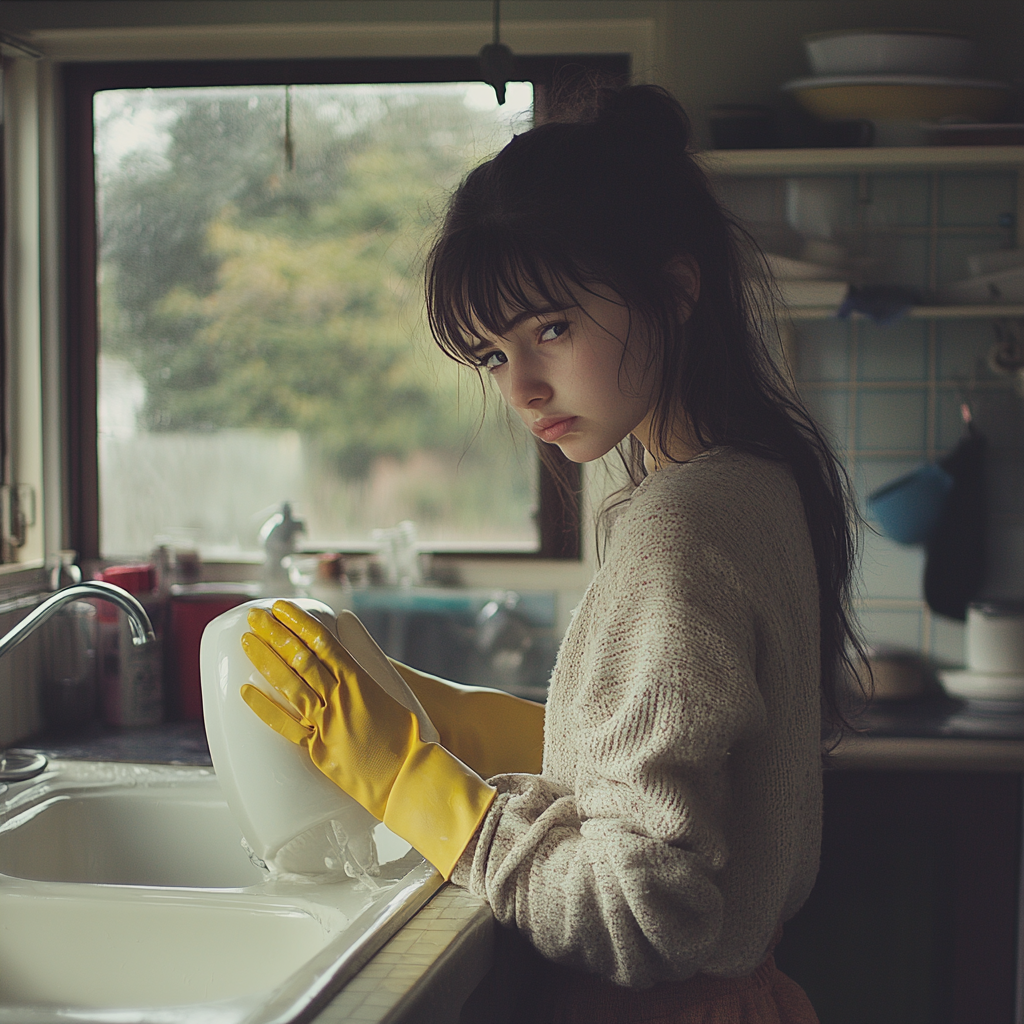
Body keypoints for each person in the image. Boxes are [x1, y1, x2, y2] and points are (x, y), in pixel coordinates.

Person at [240, 84, 863, 1024]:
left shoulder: (676, 528)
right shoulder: (756, 479)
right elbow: (688, 771)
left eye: (553, 328)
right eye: (493, 354)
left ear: (677, 290)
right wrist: (463, 721)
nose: (523, 386)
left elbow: (642, 913)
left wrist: (422, 784)